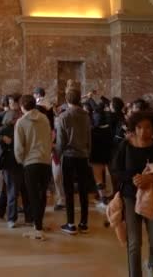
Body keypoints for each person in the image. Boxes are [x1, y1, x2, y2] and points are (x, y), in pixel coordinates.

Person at [111, 111, 153, 277]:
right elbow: (116, 171)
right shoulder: (125, 145)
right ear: (133, 128)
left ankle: (152, 265)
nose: (143, 132)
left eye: (147, 127)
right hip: (130, 197)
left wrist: (151, 178)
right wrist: (134, 178)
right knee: (134, 242)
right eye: (139, 127)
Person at [15, 95, 52, 241]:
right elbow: (49, 139)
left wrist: (21, 160)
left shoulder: (21, 122)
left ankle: (38, 228)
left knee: (33, 196)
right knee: (42, 194)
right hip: (45, 160)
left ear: (22, 106)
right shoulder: (44, 118)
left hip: (30, 162)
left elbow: (19, 147)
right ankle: (39, 225)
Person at [55, 88, 92, 235]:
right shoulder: (86, 116)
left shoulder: (64, 116)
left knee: (69, 190)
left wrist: (57, 155)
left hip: (69, 156)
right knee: (84, 190)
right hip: (83, 155)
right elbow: (89, 136)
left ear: (67, 99)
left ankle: (70, 223)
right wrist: (88, 152)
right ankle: (84, 223)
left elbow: (61, 140)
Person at [90, 101, 113, 208]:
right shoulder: (109, 129)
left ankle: (103, 200)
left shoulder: (93, 130)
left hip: (95, 156)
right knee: (108, 178)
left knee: (98, 179)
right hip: (107, 155)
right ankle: (107, 198)